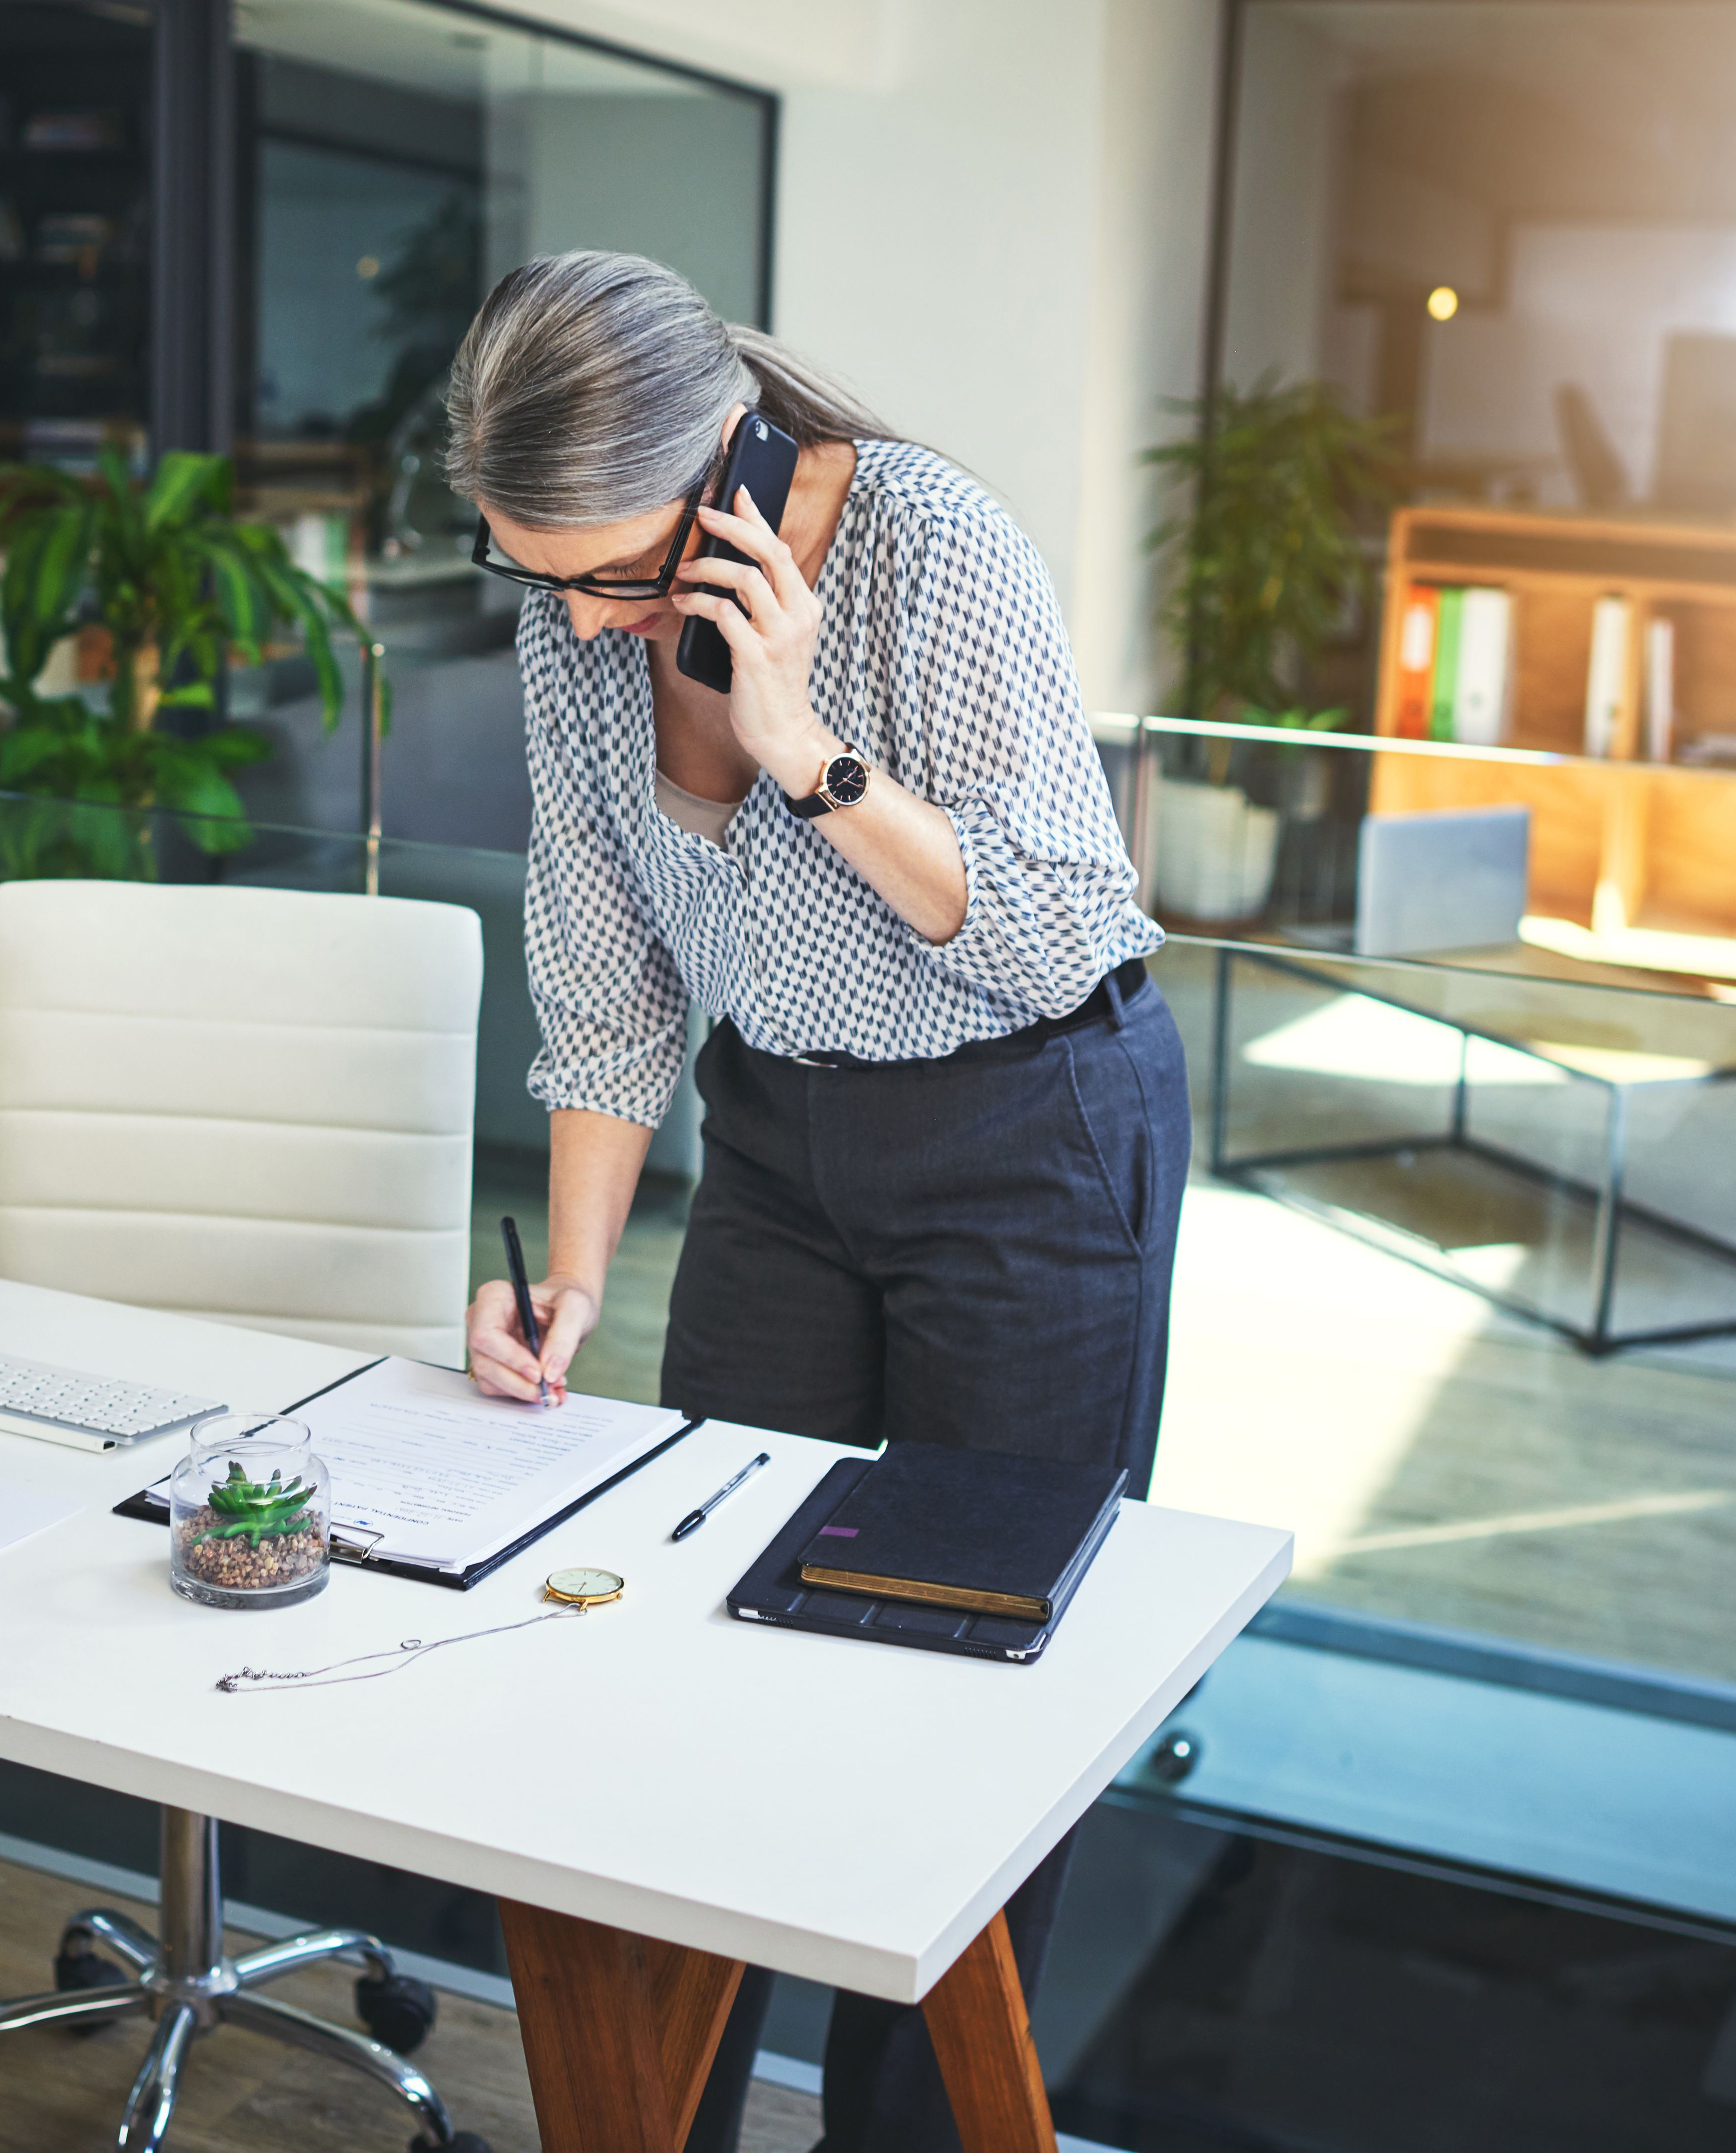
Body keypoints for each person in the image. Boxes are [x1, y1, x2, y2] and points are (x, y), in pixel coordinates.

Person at [446, 251, 1186, 2153]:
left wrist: (802, 748)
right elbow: (604, 964)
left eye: (610, 573)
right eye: (539, 576)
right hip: (775, 1137)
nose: (588, 624)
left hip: (1029, 1133)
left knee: (964, 1685)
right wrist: (577, 1283)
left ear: (726, 460)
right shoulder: (574, 621)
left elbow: (1056, 926)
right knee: (702, 1629)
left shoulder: (931, 544)